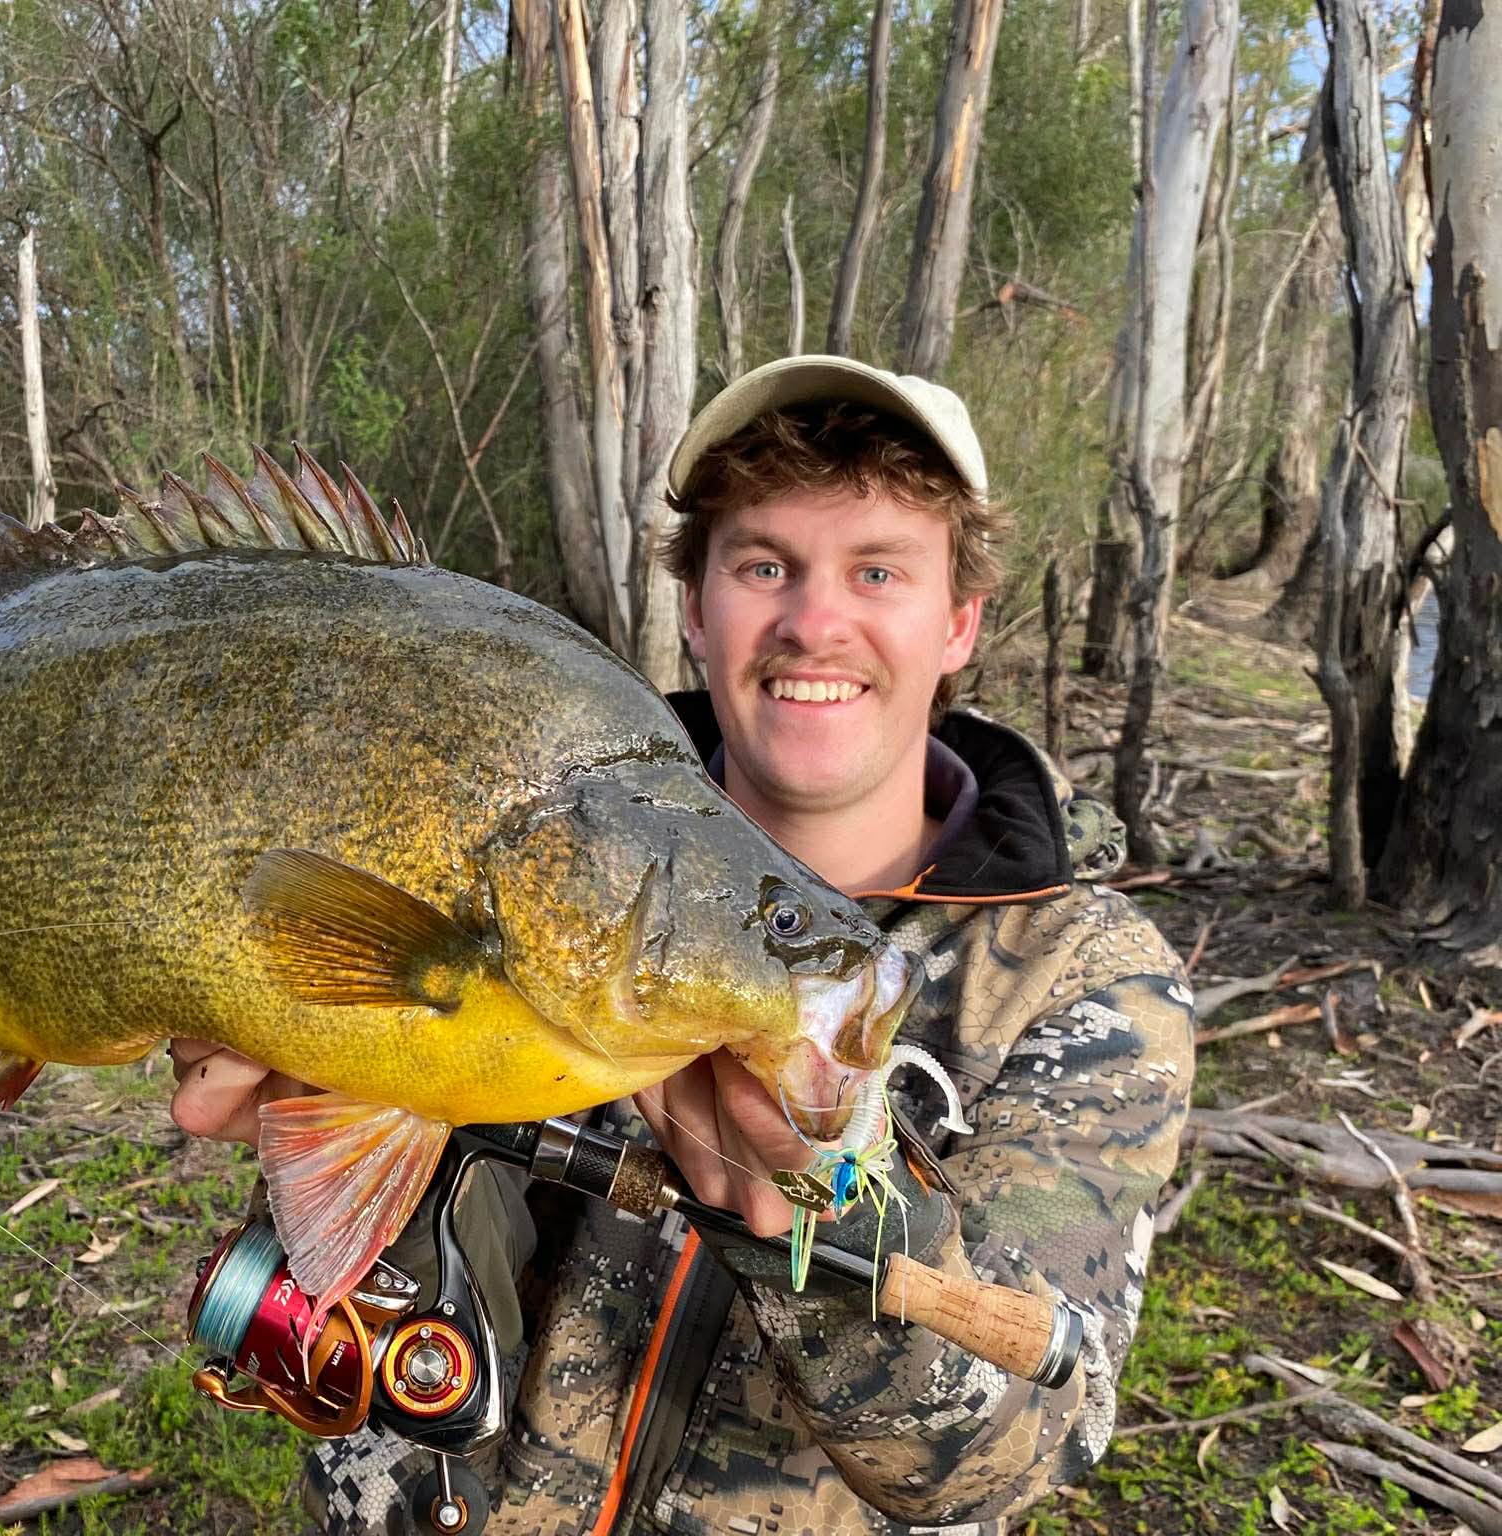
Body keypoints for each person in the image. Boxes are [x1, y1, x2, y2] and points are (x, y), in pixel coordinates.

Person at [170, 355, 1194, 1535]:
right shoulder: (506, 807)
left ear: (957, 621)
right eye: (764, 565)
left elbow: (1011, 1454)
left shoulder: (1085, 978)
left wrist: (838, 1226)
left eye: (877, 570)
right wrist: (308, 1090)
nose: (814, 623)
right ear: (696, 607)